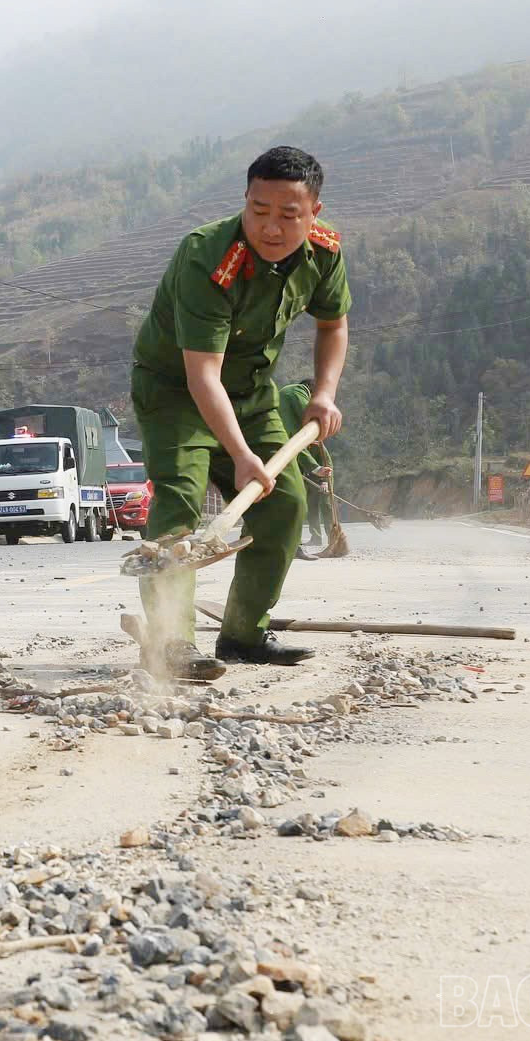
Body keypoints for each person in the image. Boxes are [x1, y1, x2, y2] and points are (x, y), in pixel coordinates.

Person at [131, 146, 350, 671]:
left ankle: (243, 635)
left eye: (288, 215)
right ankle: (171, 644)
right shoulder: (208, 257)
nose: (271, 228)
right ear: (245, 200)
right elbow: (202, 375)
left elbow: (333, 325)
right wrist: (241, 455)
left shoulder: (324, 252)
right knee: (179, 505)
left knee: (286, 503)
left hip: (251, 393)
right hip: (176, 393)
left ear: (314, 213)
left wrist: (323, 393)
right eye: (258, 210)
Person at [277, 379, 335, 560]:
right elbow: (314, 416)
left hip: (318, 474)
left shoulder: (311, 441)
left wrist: (324, 480)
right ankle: (306, 541)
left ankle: (332, 538)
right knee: (303, 504)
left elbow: (326, 463)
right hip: (305, 471)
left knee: (324, 504)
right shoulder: (296, 392)